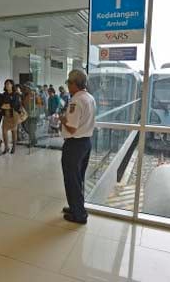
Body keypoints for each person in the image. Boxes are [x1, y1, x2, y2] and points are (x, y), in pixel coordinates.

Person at [60, 70, 96, 224]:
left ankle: (79, 215)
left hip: (74, 145)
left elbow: (72, 128)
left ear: (74, 84)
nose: (67, 85)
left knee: (72, 179)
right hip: (85, 143)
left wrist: (62, 119)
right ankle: (76, 207)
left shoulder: (76, 100)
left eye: (68, 82)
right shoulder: (89, 97)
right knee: (78, 179)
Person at [1, 79, 21, 154]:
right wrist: (7, 105)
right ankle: (6, 147)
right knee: (4, 131)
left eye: (9, 84)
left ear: (12, 85)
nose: (7, 85)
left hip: (14, 116)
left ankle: (14, 147)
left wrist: (7, 105)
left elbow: (15, 105)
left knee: (14, 132)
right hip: (6, 116)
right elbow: (1, 105)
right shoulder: (4, 94)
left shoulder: (16, 94)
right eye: (6, 84)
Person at [22, 82, 43, 147]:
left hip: (33, 115)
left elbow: (40, 105)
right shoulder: (26, 95)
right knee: (27, 127)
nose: (26, 89)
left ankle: (33, 141)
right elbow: (24, 104)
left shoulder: (35, 96)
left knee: (31, 129)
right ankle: (33, 139)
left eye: (27, 87)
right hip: (26, 114)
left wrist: (37, 113)